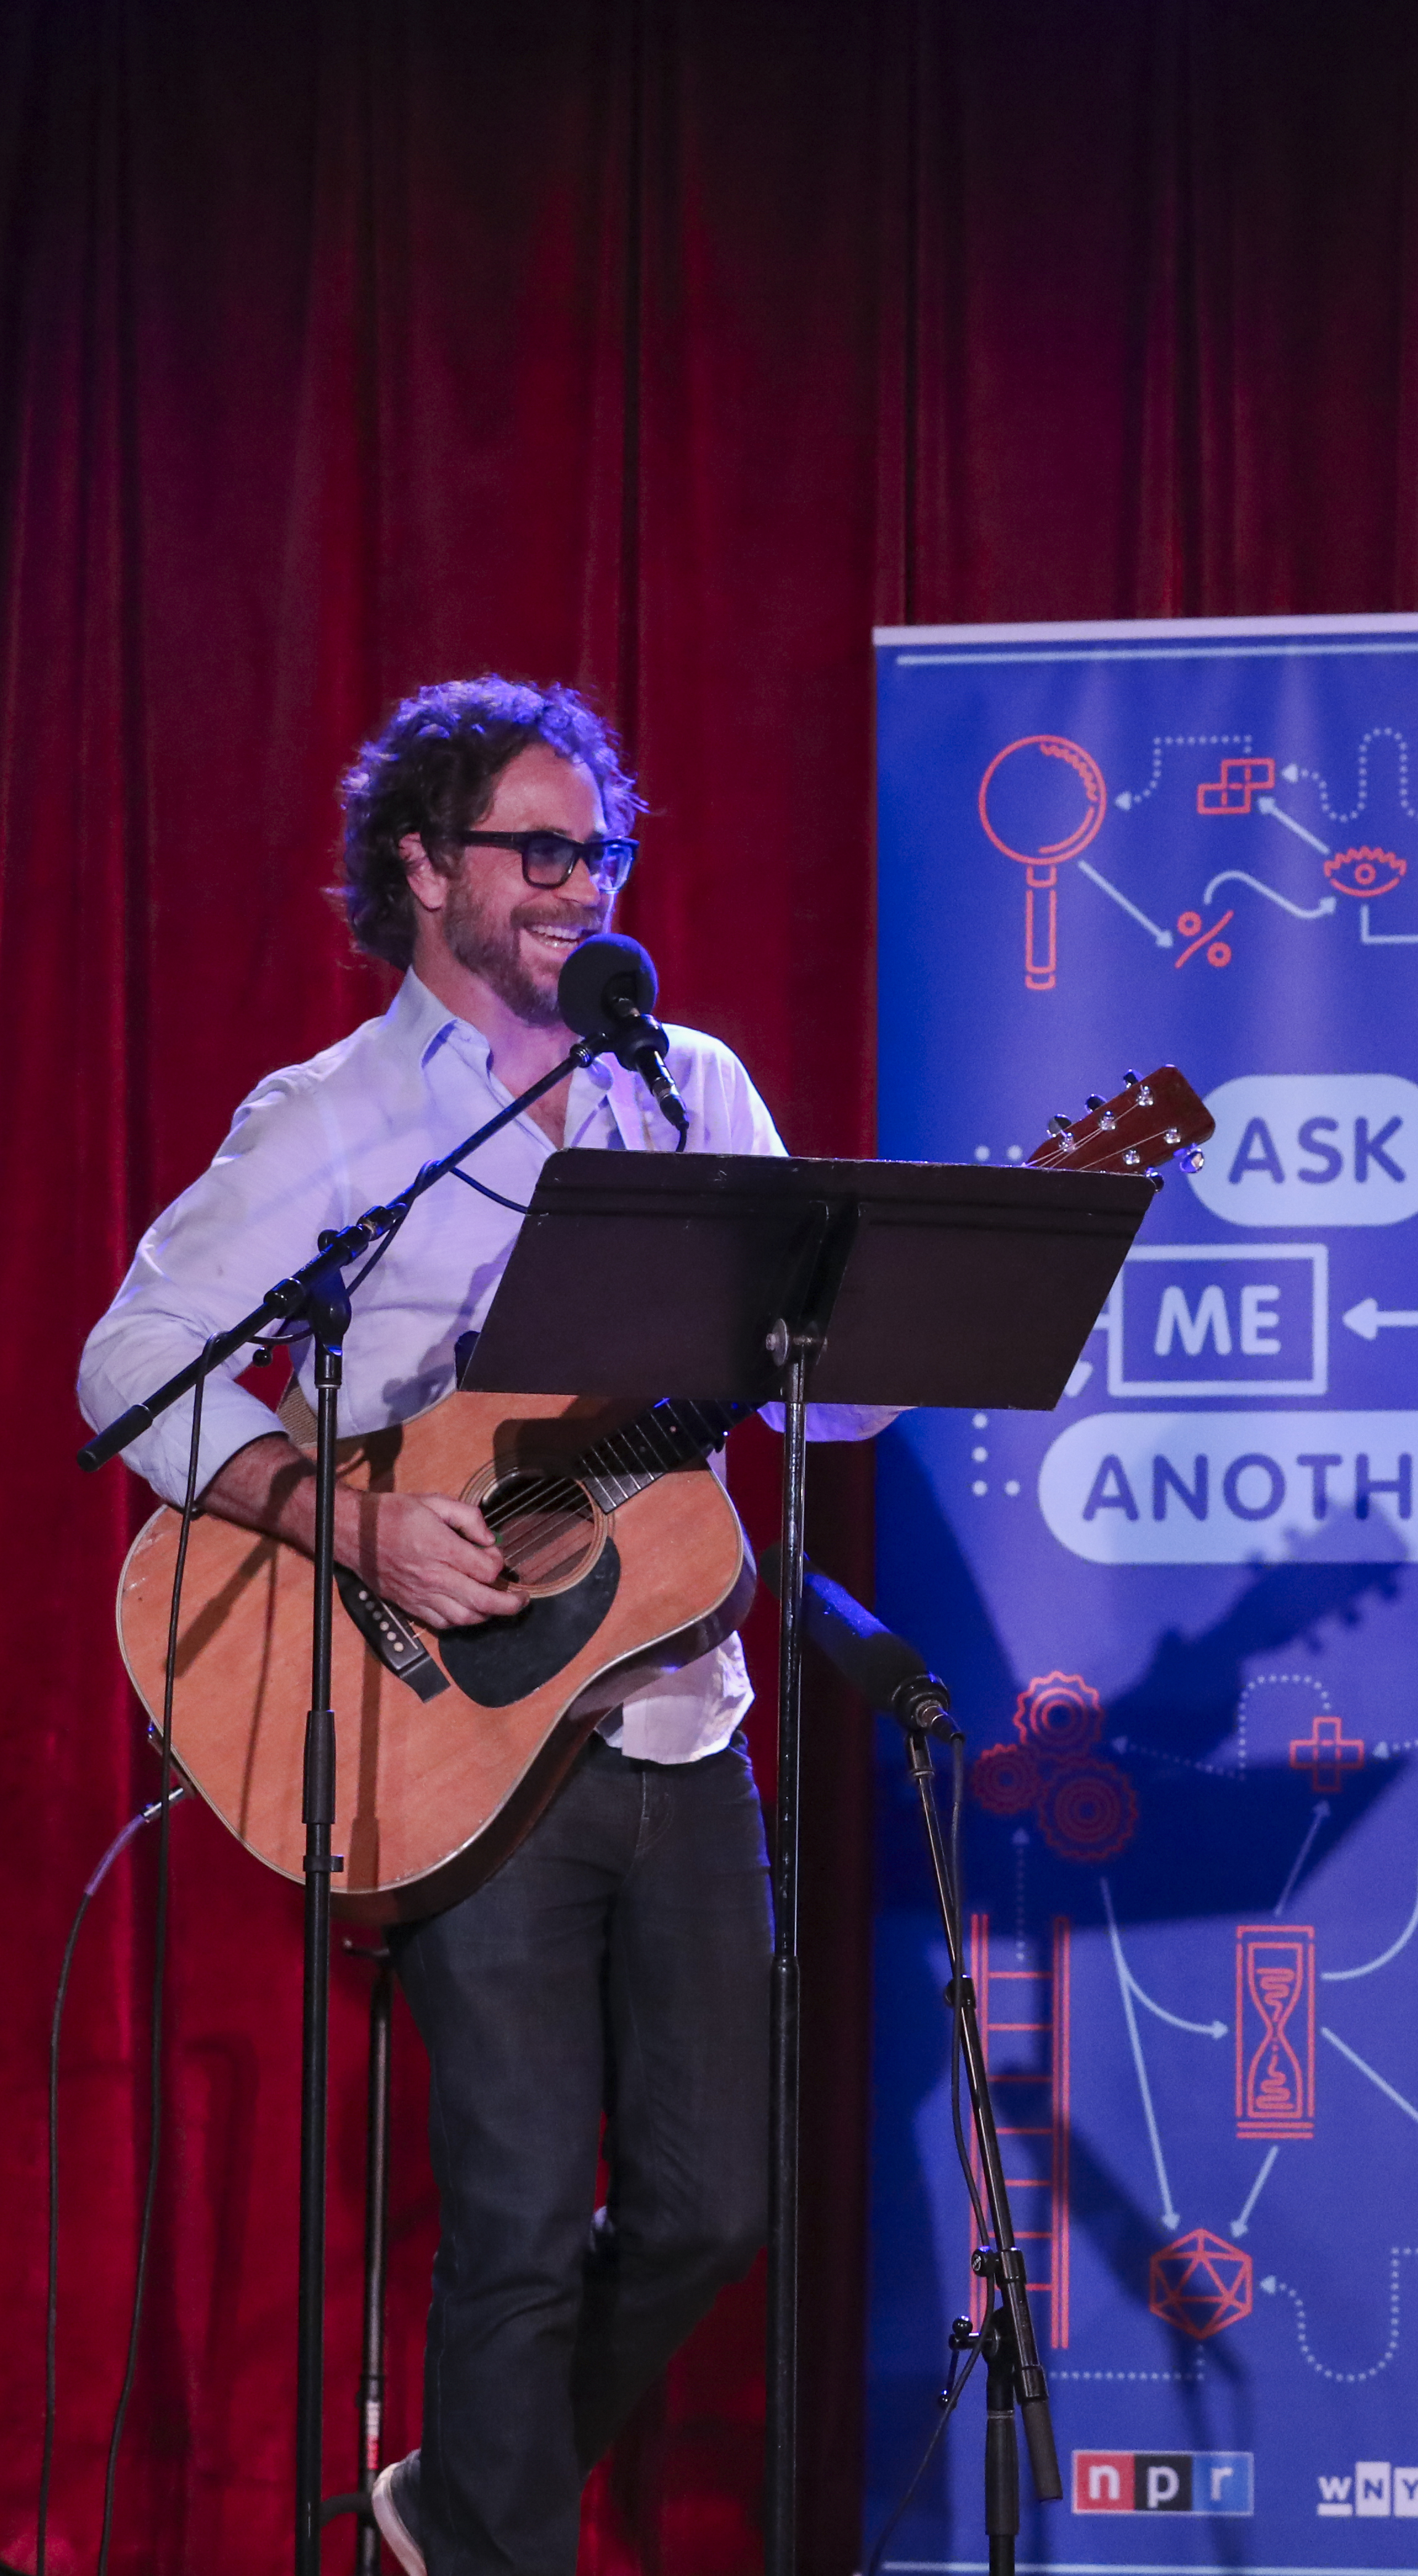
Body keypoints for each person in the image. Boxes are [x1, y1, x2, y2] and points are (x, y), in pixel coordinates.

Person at [77, 677, 887, 2576]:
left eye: (598, 851)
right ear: (425, 867)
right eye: (537, 850)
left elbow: (829, 1404)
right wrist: (349, 1518)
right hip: (449, 1719)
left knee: (707, 2207)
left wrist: (918, 1297)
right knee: (518, 2222)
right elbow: (132, 1362)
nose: (578, 886)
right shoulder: (339, 1119)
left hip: (677, 1711)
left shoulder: (690, 1092)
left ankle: (455, 2508)